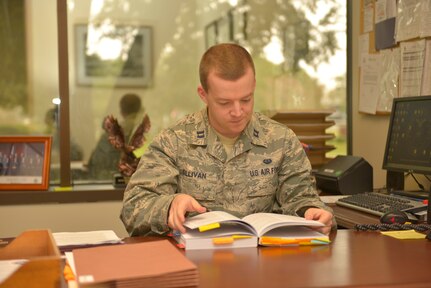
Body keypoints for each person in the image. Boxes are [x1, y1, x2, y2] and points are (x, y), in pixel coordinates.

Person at [121, 43, 335, 236]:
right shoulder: (174, 141)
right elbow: (132, 208)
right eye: (224, 102)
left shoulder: (281, 140)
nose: (238, 111)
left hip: (265, 264)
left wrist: (313, 212)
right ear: (203, 94)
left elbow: (302, 197)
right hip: (198, 263)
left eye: (246, 99)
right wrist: (170, 205)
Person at [87, 93, 146, 180]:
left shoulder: (109, 135)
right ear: (141, 110)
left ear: (122, 112)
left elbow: (95, 165)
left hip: (109, 184)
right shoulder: (146, 134)